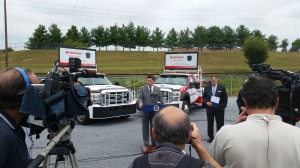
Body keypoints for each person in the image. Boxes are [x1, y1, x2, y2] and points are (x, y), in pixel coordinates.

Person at [209, 77, 300, 168]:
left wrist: (234, 130)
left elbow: (210, 164)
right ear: (277, 102)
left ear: (245, 103)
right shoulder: (297, 134)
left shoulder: (225, 134)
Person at [130, 106, 221, 168]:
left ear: (153, 133)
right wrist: (198, 145)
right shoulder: (198, 166)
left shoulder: (137, 164)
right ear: (189, 135)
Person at [0, 67, 40, 168]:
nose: (40, 96)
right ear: (25, 96)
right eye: (37, 90)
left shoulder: (14, 126)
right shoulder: (3, 136)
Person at [138, 75, 164, 148]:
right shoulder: (142, 89)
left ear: (153, 81)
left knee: (154, 127)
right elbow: (139, 98)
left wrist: (164, 104)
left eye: (150, 81)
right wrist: (140, 104)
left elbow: (161, 99)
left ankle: (154, 142)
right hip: (145, 110)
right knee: (145, 127)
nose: (148, 82)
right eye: (147, 81)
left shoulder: (157, 89)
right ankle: (146, 143)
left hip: (154, 111)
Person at [203, 76, 228, 143]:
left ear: (217, 80)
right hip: (210, 109)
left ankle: (219, 137)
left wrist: (223, 106)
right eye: (211, 81)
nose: (212, 82)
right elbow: (204, 97)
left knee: (220, 123)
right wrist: (206, 102)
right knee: (210, 123)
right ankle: (211, 137)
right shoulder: (207, 87)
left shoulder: (221, 88)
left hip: (219, 108)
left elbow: (225, 98)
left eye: (213, 81)